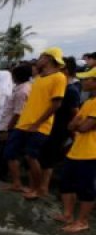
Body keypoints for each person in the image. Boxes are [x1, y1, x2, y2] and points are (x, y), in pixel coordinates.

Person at [4, 47, 67, 199]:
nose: (39, 59)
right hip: (24, 123)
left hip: (39, 125)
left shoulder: (59, 77)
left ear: (48, 58)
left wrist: (38, 123)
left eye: (41, 56)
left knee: (31, 157)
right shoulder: (39, 78)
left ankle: (38, 190)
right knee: (10, 152)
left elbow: (56, 104)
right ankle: (17, 183)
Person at [54, 67, 96, 233]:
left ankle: (82, 221)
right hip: (77, 150)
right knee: (65, 183)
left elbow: (84, 127)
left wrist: (80, 124)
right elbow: (72, 124)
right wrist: (80, 124)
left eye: (87, 79)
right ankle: (68, 214)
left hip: (91, 152)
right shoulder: (88, 102)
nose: (84, 82)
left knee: (86, 188)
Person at [38, 57, 82, 196]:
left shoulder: (71, 91)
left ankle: (44, 187)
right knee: (41, 155)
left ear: (65, 71)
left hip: (59, 130)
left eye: (58, 68)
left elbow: (76, 114)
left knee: (48, 158)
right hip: (47, 126)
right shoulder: (56, 87)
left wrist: (73, 134)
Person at [0, 64, 33, 182]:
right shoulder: (23, 87)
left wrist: (7, 129)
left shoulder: (22, 91)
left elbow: (18, 113)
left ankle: (2, 175)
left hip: (10, 126)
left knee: (4, 152)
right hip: (9, 123)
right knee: (1, 150)